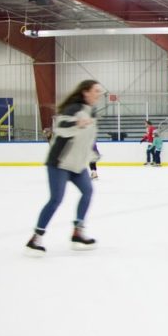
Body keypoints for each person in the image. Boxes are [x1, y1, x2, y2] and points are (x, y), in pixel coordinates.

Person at [25, 79, 104, 255]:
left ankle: (78, 232)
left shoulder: (92, 112)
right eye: (96, 91)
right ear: (86, 92)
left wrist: (92, 155)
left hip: (77, 164)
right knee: (56, 199)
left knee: (88, 191)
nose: (99, 94)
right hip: (60, 163)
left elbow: (87, 139)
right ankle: (35, 239)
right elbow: (60, 127)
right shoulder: (74, 108)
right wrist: (76, 123)